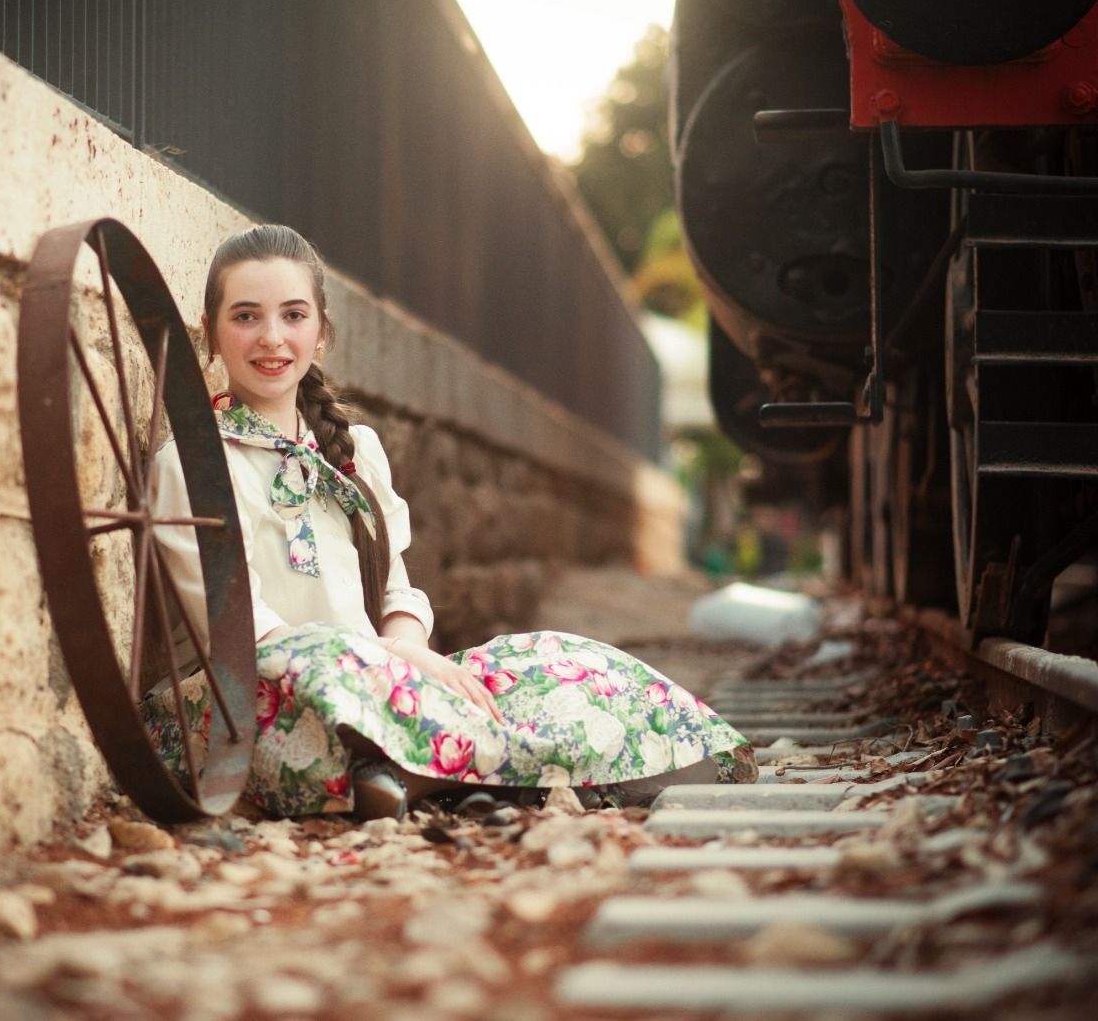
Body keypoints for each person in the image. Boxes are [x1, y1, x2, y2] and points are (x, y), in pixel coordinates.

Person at [145, 224, 752, 819]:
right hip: (257, 697)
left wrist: (410, 652)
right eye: (246, 316)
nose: (271, 337)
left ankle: (419, 774)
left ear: (322, 333)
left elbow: (396, 589)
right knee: (323, 682)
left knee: (550, 659)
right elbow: (245, 630)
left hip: (386, 676)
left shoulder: (355, 450)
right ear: (211, 335)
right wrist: (384, 662)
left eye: (294, 315)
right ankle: (500, 768)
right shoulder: (194, 467)